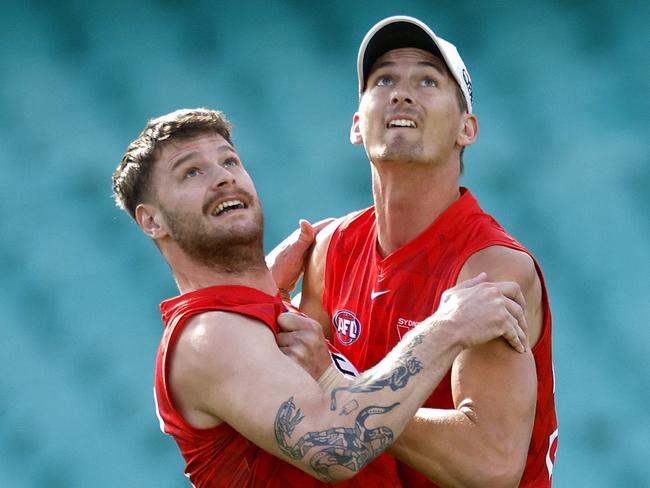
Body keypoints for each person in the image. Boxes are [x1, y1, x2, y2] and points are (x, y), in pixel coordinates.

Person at [111, 107, 530, 487]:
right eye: (191, 172)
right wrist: (448, 327)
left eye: (230, 161)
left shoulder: (262, 317)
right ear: (151, 221)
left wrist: (270, 293)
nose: (224, 177)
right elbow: (339, 448)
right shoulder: (210, 335)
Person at [279, 15, 558, 487]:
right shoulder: (330, 248)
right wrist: (263, 288)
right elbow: (278, 397)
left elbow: (489, 466)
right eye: (383, 78)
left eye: (428, 80)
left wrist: (342, 392)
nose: (401, 92)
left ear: (466, 129)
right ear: (355, 125)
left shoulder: (490, 269)